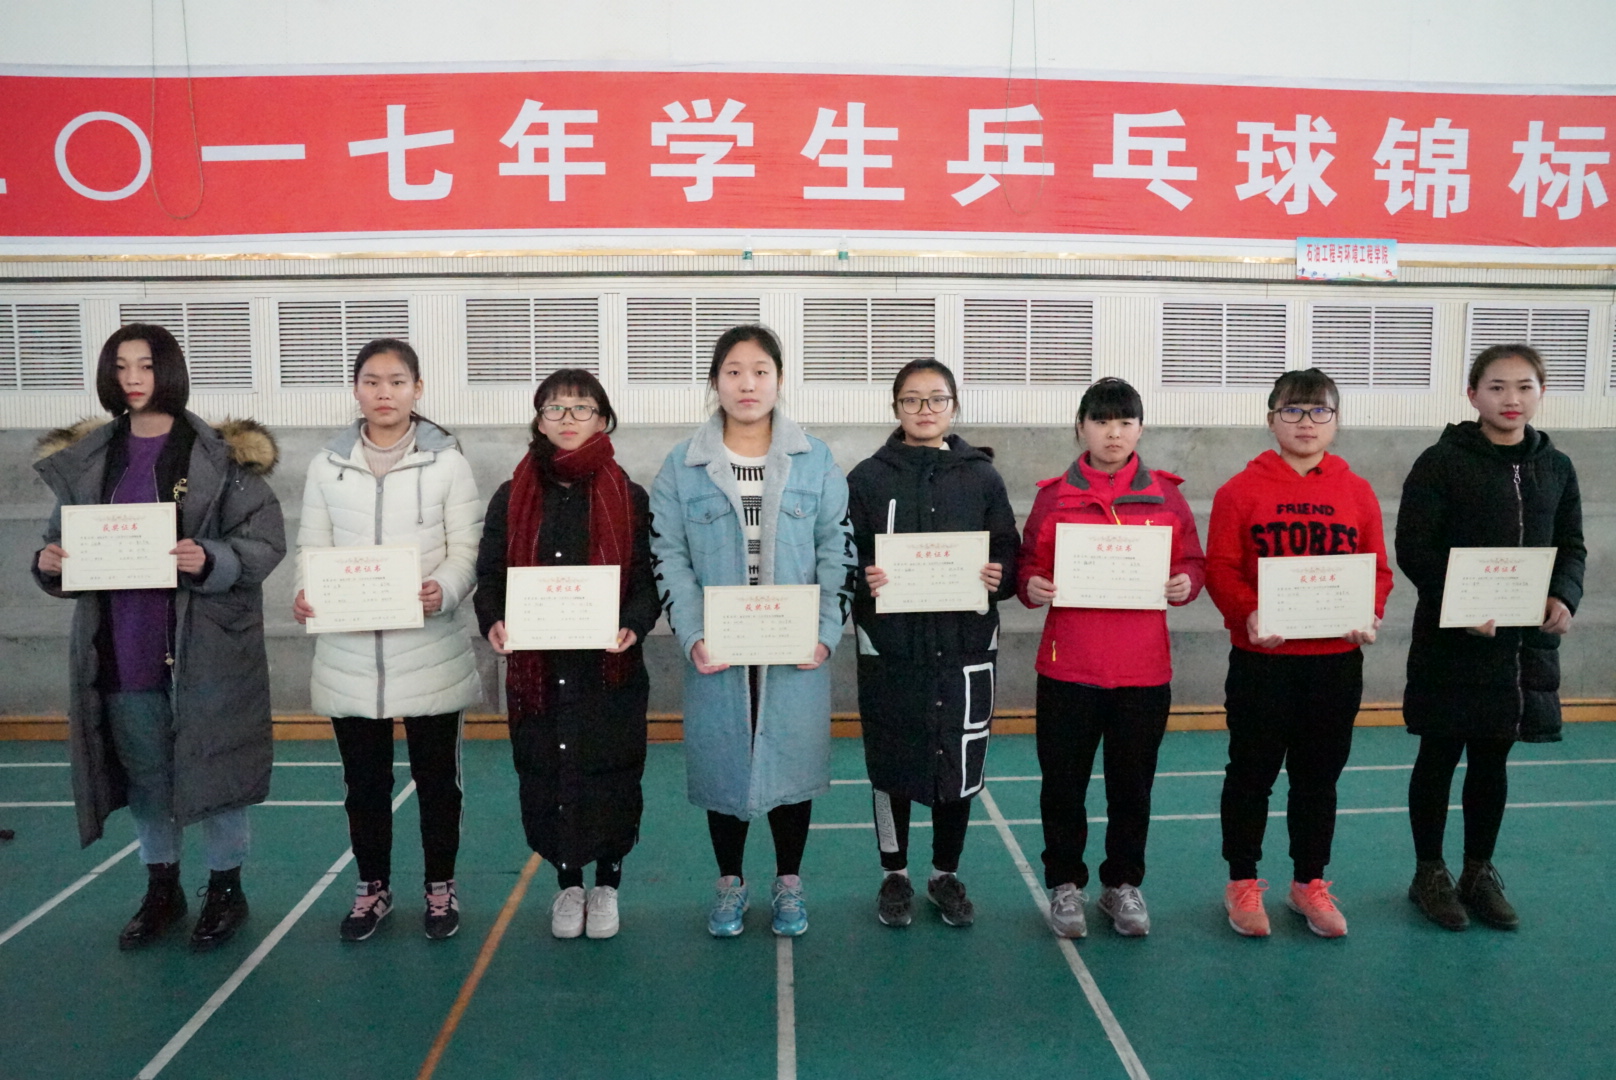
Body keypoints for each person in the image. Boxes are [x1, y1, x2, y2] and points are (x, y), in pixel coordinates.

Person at [32, 323, 285, 951]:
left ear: (168, 370)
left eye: (145, 365)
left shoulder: (223, 456)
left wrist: (212, 557)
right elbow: (58, 542)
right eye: (120, 366)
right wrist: (49, 563)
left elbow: (264, 542)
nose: (133, 378)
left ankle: (225, 888)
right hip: (122, 645)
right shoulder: (90, 459)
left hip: (206, 649)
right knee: (145, 775)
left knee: (216, 768)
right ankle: (161, 886)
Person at [650, 325, 854, 938]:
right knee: (725, 763)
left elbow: (837, 550)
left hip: (795, 647)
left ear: (779, 380)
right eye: (733, 371)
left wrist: (825, 633)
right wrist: (692, 634)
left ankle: (789, 882)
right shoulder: (682, 465)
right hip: (720, 646)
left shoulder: (815, 459)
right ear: (715, 381)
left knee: (792, 761)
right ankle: (730, 882)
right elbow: (669, 555)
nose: (747, 383)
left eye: (760, 371)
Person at [294, 338, 483, 942]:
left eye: (397, 382)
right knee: (364, 785)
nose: (384, 393)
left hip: (431, 651)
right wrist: (306, 591)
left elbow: (468, 549)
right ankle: (372, 886)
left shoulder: (447, 462)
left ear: (417, 389)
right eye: (372, 381)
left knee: (438, 783)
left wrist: (444, 589)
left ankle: (440, 886)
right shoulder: (326, 466)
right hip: (349, 654)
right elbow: (311, 547)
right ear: (356, 389)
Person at [1397, 344, 1584, 932]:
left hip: (1519, 647)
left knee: (1492, 758)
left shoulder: (1557, 467)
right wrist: (1460, 603)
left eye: (1524, 387)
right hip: (1452, 641)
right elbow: (1414, 548)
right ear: (1472, 394)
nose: (1511, 399)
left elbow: (1572, 546)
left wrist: (1563, 596)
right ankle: (1429, 873)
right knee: (1438, 755)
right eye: (1497, 387)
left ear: (1541, 394)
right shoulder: (1440, 462)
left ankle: (1478, 872)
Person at [1204, 368, 1393, 939]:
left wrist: (1369, 611)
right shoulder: (1239, 490)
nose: (1306, 422)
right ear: (1271, 419)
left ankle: (1309, 881)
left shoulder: (1357, 491)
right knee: (1251, 774)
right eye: (1292, 410)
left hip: (1335, 662)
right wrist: (1248, 612)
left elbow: (1377, 569)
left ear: (1336, 421)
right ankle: (1242, 881)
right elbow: (1221, 569)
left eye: (1319, 411)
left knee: (1319, 778)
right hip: (1263, 660)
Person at [1017, 377, 1204, 938]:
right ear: (1081, 428)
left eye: (1125, 422)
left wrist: (1185, 583)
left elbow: (1192, 561)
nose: (1113, 432)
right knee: (1063, 786)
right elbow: (1028, 565)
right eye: (1101, 421)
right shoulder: (1053, 497)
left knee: (1132, 789)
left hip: (1142, 672)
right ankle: (1065, 884)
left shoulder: (1167, 495)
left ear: (1140, 429)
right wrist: (1032, 585)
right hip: (1069, 667)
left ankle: (1122, 884)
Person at [476, 368, 659, 941]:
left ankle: (607, 884)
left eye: (582, 408)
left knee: (611, 772)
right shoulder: (512, 494)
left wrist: (633, 625)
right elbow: (490, 574)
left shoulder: (628, 495)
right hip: (540, 671)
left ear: (603, 420)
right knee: (548, 774)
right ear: (539, 421)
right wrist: (494, 620)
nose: (568, 418)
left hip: (607, 669)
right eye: (554, 408)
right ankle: (567, 883)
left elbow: (646, 580)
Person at [848, 359, 1019, 929]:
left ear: (954, 406)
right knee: (889, 764)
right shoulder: (867, 478)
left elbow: (1008, 549)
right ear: (895, 407)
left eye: (936, 398)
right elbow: (844, 553)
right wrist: (864, 575)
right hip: (892, 650)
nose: (925, 410)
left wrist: (1000, 574)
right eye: (912, 399)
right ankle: (893, 874)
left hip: (965, 646)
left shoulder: (983, 478)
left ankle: (945, 872)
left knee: (958, 761)